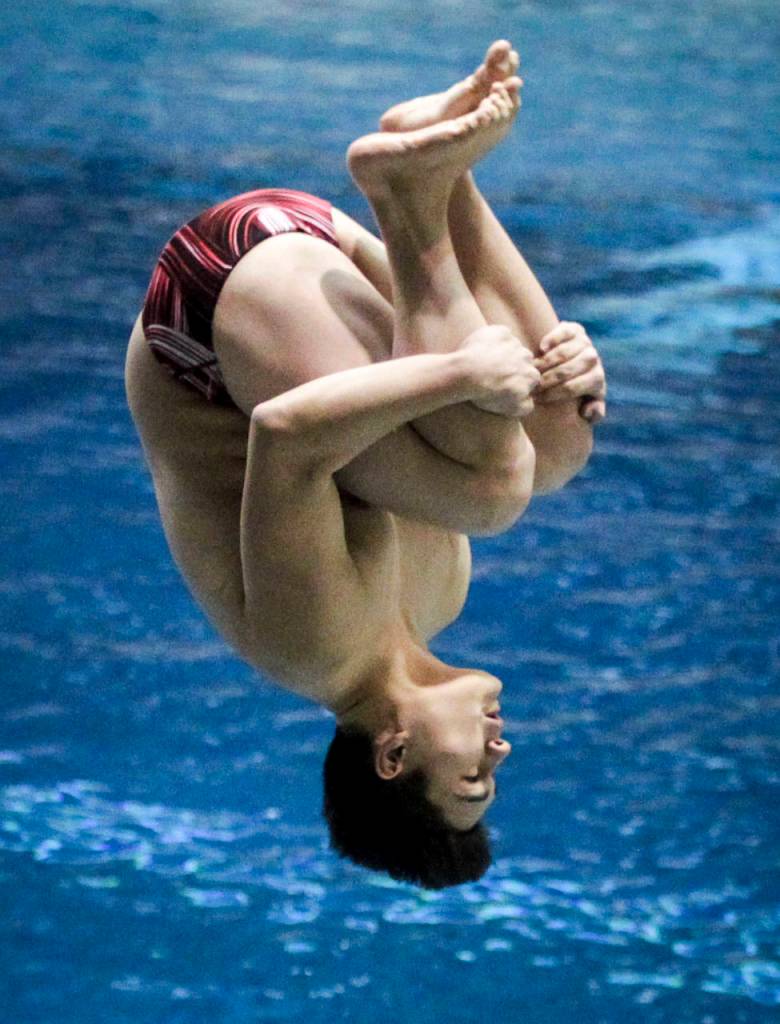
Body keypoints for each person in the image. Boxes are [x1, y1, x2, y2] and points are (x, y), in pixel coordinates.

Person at [124, 40, 606, 888]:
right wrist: (562, 370)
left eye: (473, 777)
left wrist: (464, 373)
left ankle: (411, 194)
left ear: (394, 754)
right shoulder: (439, 602)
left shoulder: (313, 647)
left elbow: (284, 434)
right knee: (558, 443)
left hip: (211, 302)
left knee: (496, 492)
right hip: (317, 259)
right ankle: (437, 172)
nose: (500, 747)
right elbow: (456, 419)